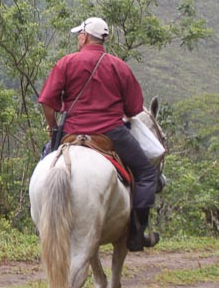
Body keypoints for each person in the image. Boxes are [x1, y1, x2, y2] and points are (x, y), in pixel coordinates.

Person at [38, 17, 160, 251]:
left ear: (84, 36)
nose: (77, 38)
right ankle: (136, 233)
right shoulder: (119, 66)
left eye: (78, 35)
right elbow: (134, 109)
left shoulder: (66, 62)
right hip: (111, 133)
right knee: (145, 172)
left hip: (71, 131)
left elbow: (46, 102)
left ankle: (40, 220)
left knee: (44, 163)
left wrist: (54, 129)